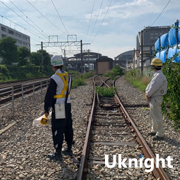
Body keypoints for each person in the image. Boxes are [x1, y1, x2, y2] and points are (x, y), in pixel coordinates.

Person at [44, 55, 73, 160]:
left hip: (59, 106)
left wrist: (46, 108)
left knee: (58, 128)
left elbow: (49, 95)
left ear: (52, 66)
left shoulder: (54, 78)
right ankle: (69, 148)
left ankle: (58, 152)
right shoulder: (68, 76)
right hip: (67, 104)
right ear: (63, 65)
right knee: (68, 126)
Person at [146, 58, 167, 141]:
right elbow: (150, 85)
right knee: (153, 115)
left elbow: (154, 87)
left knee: (157, 116)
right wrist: (147, 93)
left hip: (156, 97)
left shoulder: (159, 76)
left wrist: (148, 94)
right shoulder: (157, 75)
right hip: (154, 97)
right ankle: (154, 130)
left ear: (154, 66)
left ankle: (160, 133)